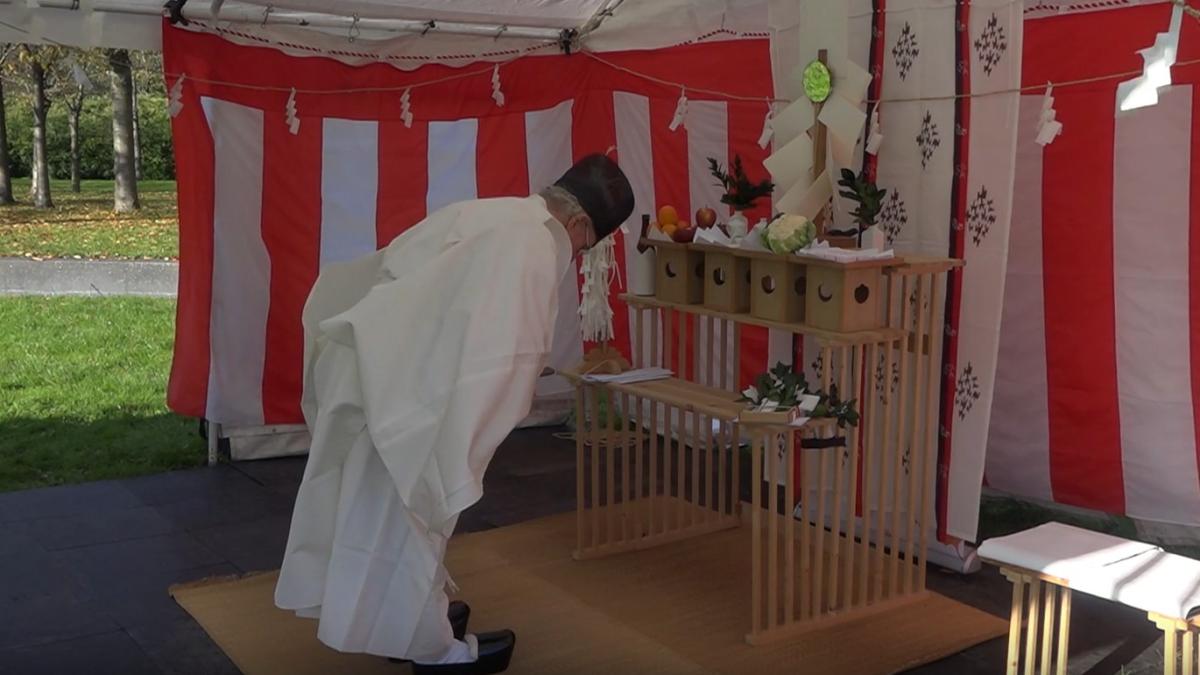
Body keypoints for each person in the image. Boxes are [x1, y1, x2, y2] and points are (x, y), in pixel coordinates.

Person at [274, 154, 635, 675]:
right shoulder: (535, 244)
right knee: (414, 519)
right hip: (412, 397)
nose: (577, 254)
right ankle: (435, 651)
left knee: (376, 512)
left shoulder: (492, 211)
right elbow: (508, 351)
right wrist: (510, 391)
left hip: (375, 365)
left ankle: (405, 620)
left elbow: (408, 275)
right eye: (585, 245)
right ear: (579, 222)